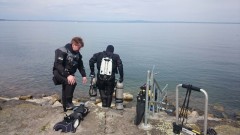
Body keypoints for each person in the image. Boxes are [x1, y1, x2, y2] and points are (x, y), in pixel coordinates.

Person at [52, 37, 87, 112]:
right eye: (79, 47)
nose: (79, 49)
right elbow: (58, 65)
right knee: (71, 83)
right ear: (73, 44)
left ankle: (65, 106)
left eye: (80, 48)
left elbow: (80, 65)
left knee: (66, 88)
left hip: (69, 74)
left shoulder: (77, 54)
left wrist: (84, 75)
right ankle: (68, 103)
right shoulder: (62, 51)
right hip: (58, 72)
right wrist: (68, 76)